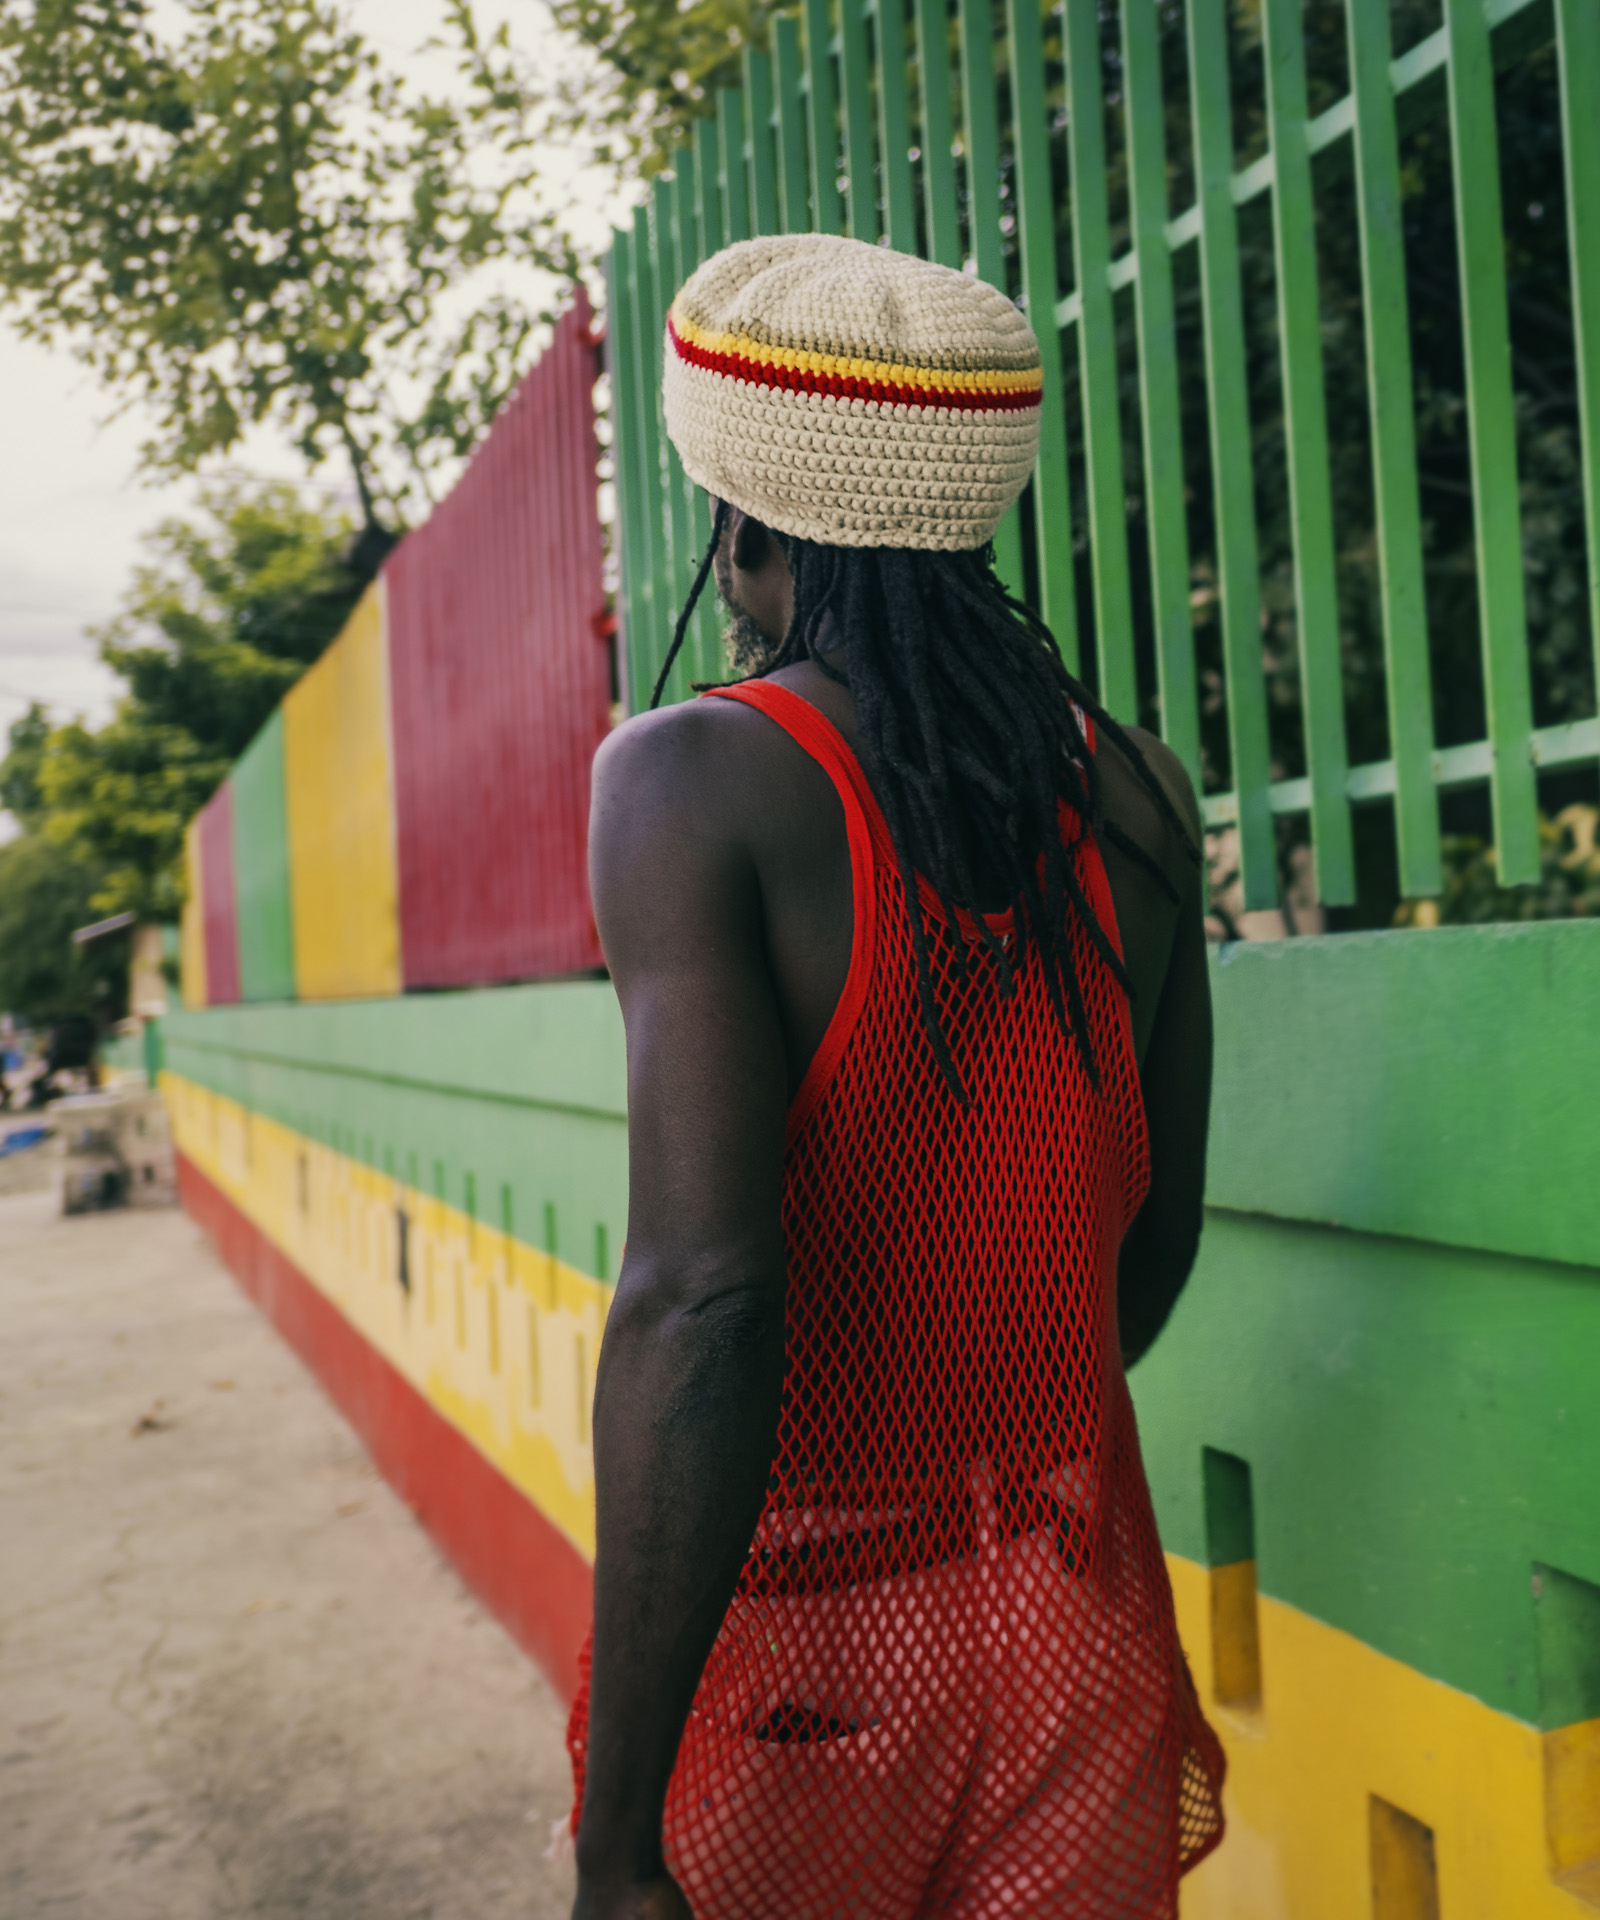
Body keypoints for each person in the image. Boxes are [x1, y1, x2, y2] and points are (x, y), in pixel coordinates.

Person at [571, 232, 1225, 1920]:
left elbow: (702, 1300)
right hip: (1071, 1622)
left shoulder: (691, 776)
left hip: (810, 1647)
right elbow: (1144, 1251)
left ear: (750, 517)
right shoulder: (1138, 790)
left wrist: (620, 1838)